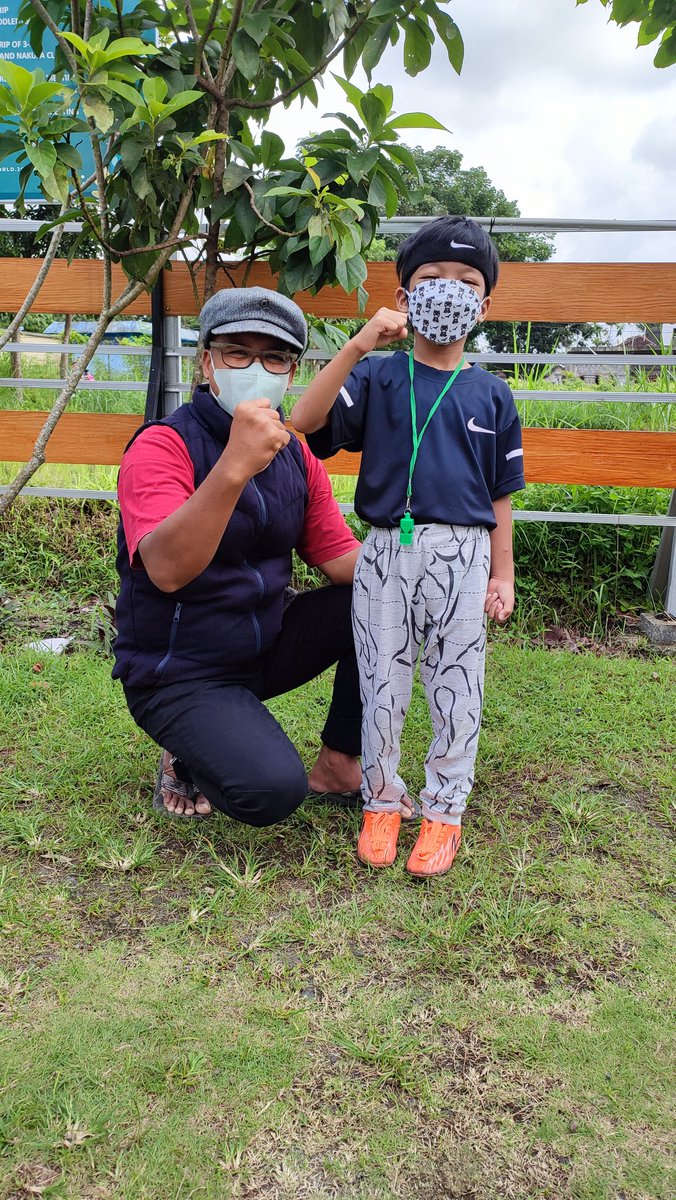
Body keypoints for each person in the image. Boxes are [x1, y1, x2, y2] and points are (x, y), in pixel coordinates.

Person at [291, 216, 526, 877]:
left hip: (464, 552)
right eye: (430, 279)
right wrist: (360, 343)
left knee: (457, 685)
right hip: (385, 550)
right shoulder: (379, 377)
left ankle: (444, 813)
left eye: (466, 282)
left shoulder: (492, 393)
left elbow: (502, 493)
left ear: (486, 304)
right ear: (403, 293)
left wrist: (500, 574)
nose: (448, 291)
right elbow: (305, 421)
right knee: (380, 679)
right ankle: (382, 802)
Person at [113, 286, 367, 825]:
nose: (257, 368)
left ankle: (341, 760)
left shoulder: (296, 453)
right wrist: (233, 466)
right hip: (178, 669)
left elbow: (339, 554)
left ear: (290, 373)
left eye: (274, 356)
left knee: (379, 598)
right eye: (238, 353)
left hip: (264, 645)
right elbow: (167, 569)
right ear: (207, 361)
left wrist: (427, 570)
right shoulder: (162, 445)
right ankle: (187, 751)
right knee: (269, 791)